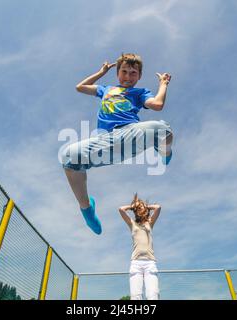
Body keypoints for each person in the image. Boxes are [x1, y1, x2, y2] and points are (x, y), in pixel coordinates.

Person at [62, 53, 173, 234]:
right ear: (118, 73)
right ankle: (87, 208)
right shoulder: (106, 89)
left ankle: (164, 154)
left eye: (133, 73)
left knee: (163, 129)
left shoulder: (140, 92)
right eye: (124, 72)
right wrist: (101, 72)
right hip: (104, 140)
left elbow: (157, 104)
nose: (128, 76)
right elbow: (80, 87)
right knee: (68, 156)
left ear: (139, 76)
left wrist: (163, 84)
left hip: (130, 133)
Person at [119, 194, 161, 300]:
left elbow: (158, 208)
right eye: (139, 207)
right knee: (135, 297)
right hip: (136, 263)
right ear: (136, 210)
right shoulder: (132, 224)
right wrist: (133, 206)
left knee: (153, 296)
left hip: (150, 263)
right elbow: (121, 209)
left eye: (142, 206)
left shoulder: (150, 223)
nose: (141, 207)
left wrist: (145, 206)